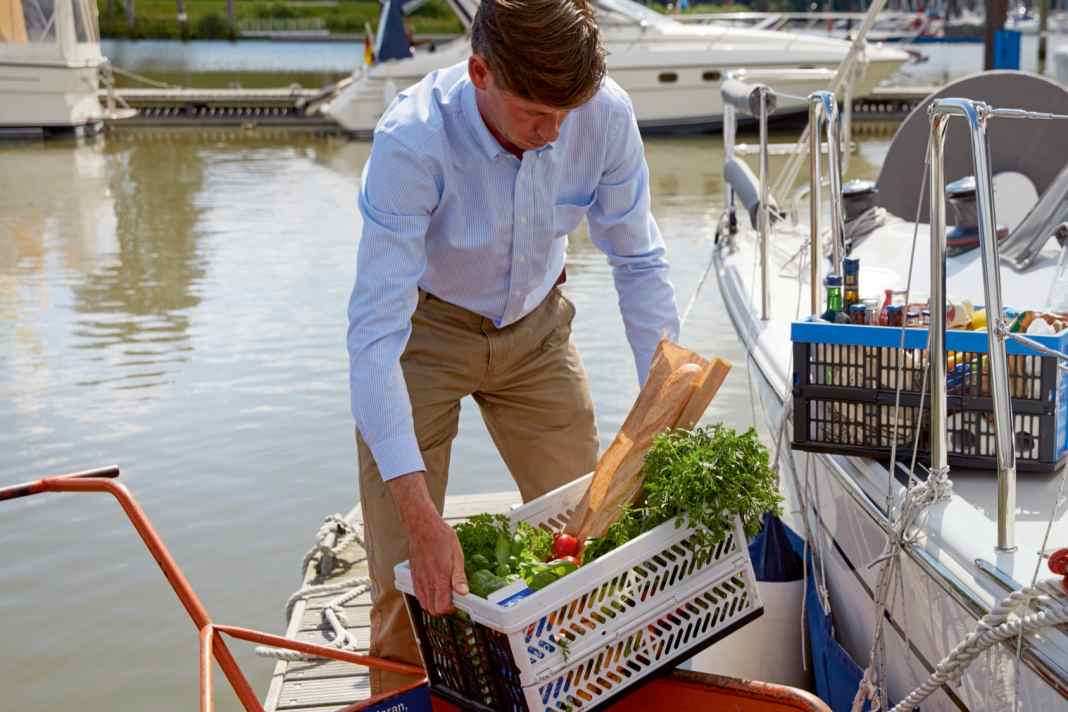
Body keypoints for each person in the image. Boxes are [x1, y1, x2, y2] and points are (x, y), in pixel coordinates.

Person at [347, 0, 680, 695]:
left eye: (567, 114)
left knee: (591, 541)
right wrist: (421, 516)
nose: (556, 133)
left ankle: (587, 692)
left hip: (536, 329)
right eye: (537, 115)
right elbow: (374, 339)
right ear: (479, 73)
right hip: (424, 334)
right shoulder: (412, 141)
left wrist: (665, 396)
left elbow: (639, 261)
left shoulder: (603, 115)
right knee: (405, 578)